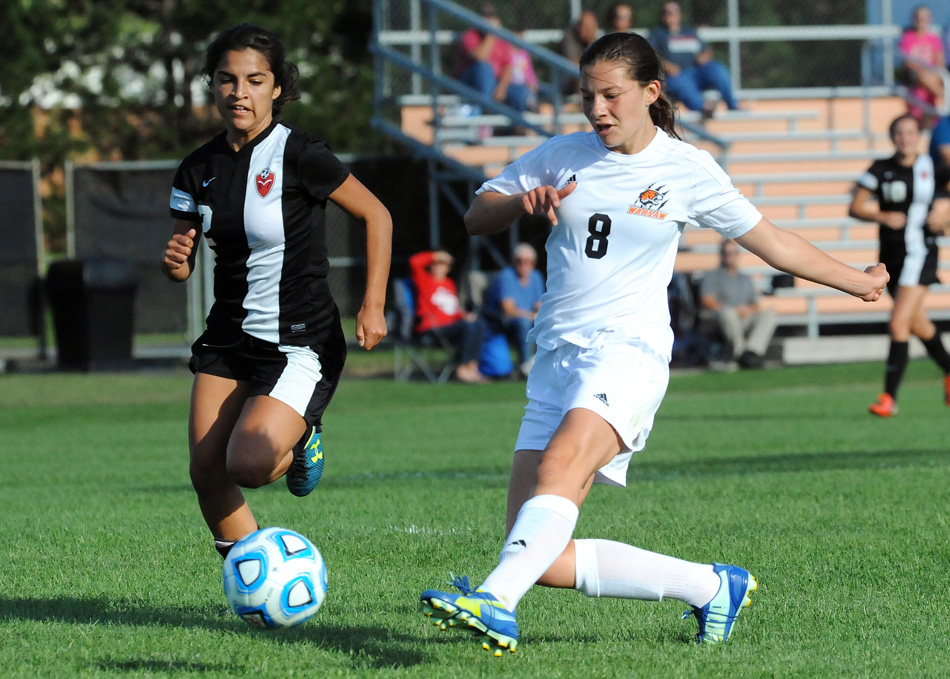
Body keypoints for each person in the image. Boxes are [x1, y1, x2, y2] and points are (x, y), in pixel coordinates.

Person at [418, 31, 888, 655]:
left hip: (628, 353)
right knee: (543, 557)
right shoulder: (563, 155)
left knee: (557, 473)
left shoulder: (685, 169)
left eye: (611, 95)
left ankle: (494, 602)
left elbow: (772, 242)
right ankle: (711, 586)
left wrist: (858, 281)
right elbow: (478, 216)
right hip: (556, 357)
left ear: (651, 91)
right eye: (587, 97)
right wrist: (520, 203)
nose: (598, 110)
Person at [161, 24, 392, 560]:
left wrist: (373, 302)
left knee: (248, 464)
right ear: (212, 85)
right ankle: (254, 577)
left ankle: (304, 434)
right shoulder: (197, 169)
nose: (239, 92)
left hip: (298, 340)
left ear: (277, 89)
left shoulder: (302, 153)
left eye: (254, 80)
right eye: (227, 79)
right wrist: (175, 263)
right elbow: (181, 260)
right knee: (206, 471)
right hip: (228, 336)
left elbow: (376, 215)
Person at [848, 113, 950, 418]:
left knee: (898, 324)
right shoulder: (881, 169)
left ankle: (889, 398)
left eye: (910, 132)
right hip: (892, 257)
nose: (905, 138)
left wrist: (945, 214)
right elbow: (854, 206)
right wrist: (882, 216)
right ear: (893, 137)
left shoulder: (934, 167)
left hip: (922, 253)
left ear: (918, 136)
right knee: (919, 324)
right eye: (899, 133)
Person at [409, 250, 490, 384]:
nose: (440, 267)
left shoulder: (449, 284)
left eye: (444, 264)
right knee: (467, 327)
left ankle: (472, 366)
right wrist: (434, 255)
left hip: (452, 325)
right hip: (432, 327)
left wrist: (465, 315)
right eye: (437, 263)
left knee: (478, 323)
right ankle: (462, 368)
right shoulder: (424, 280)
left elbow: (453, 310)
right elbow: (414, 262)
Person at [648, 1, 739, 115]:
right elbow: (650, 56)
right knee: (681, 83)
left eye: (672, 12)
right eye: (665, 12)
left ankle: (733, 105)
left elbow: (707, 50)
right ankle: (703, 108)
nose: (668, 15)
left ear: (679, 14)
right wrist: (666, 66)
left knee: (717, 69)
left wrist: (705, 56)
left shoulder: (689, 31)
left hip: (696, 72)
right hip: (676, 75)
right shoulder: (657, 34)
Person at [699, 239, 777, 368]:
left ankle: (752, 353)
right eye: (726, 253)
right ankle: (740, 353)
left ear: (737, 255)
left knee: (770, 314)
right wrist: (733, 310)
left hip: (743, 317)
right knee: (728, 313)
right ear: (721, 254)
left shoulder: (745, 278)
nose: (729, 256)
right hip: (721, 319)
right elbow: (707, 300)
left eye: (732, 253)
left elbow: (755, 304)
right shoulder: (712, 276)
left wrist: (747, 310)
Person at [453, 3, 529, 117]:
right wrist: (491, 34)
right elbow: (481, 57)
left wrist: (502, 87)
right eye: (485, 16)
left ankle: (515, 127)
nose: (488, 19)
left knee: (520, 91)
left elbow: (508, 66)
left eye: (491, 16)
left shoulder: (502, 38)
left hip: (495, 82)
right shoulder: (471, 35)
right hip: (471, 83)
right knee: (484, 68)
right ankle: (486, 111)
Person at [482, 243, 545, 377]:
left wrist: (541, 316)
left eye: (527, 261)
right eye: (519, 260)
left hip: (528, 319)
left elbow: (539, 304)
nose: (523, 264)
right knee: (524, 323)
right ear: (513, 261)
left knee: (547, 322)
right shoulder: (506, 276)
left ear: (533, 263)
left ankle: (545, 363)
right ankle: (525, 364)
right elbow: (508, 310)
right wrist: (532, 315)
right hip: (503, 322)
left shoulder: (536, 277)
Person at [897, 5, 945, 126]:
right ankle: (944, 96)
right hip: (915, 75)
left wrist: (933, 72)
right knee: (924, 77)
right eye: (919, 18)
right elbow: (907, 62)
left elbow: (940, 61)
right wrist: (925, 71)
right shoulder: (908, 38)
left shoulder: (934, 39)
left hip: (932, 78)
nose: (921, 21)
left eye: (925, 18)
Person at [558, 11, 600, 97]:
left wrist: (591, 42)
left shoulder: (595, 40)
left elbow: (602, 61)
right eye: (583, 25)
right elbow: (573, 63)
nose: (585, 29)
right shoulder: (568, 38)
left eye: (589, 27)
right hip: (567, 82)